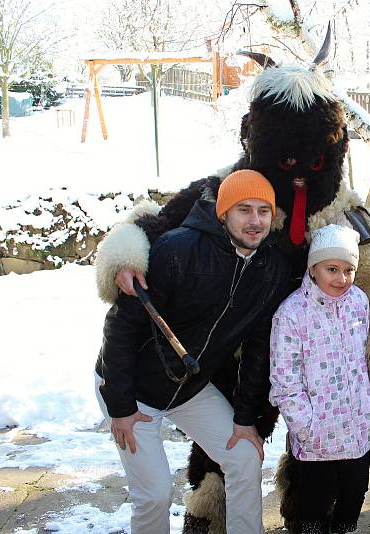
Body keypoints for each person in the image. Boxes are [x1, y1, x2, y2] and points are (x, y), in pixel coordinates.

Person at [94, 170, 292, 534]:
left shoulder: (270, 267)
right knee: (154, 494)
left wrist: (244, 418)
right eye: (244, 209)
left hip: (190, 388)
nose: (254, 221)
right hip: (134, 389)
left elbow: (257, 350)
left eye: (263, 211)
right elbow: (121, 328)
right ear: (223, 213)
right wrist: (120, 408)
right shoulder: (177, 249)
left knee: (244, 456)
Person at [269, 224, 370, 534]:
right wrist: (305, 425)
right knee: (312, 503)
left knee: (354, 494)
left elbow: (369, 354)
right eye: (332, 269)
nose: (341, 278)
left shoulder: (359, 302)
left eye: (349, 269)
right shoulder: (292, 313)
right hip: (317, 437)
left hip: (357, 430)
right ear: (313, 268)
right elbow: (284, 379)